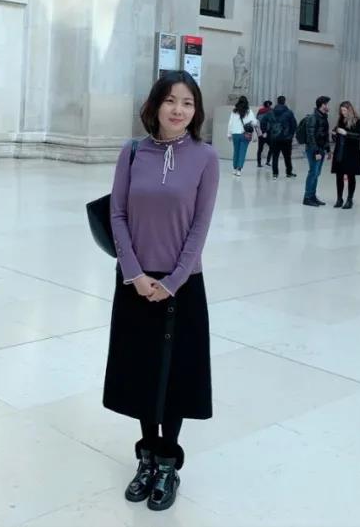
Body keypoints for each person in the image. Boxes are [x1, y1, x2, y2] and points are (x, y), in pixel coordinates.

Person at [106, 71, 219, 512]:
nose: (178, 110)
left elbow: (200, 225)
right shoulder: (132, 152)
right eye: (171, 100)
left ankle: (168, 462)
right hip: (135, 282)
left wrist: (173, 281)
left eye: (188, 103)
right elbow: (117, 214)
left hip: (182, 285)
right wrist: (134, 273)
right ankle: (147, 456)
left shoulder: (205, 157)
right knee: (141, 372)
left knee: (175, 377)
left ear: (196, 111)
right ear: (154, 106)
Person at [331, 101, 360, 209]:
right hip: (340, 151)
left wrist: (346, 133)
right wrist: (334, 134)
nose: (343, 112)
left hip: (352, 152)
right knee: (339, 176)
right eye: (341, 110)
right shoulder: (340, 119)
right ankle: (339, 198)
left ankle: (349, 199)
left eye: (344, 110)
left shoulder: (358, 120)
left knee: (351, 176)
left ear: (350, 110)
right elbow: (336, 135)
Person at [302, 96, 330, 207]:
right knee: (313, 173)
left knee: (317, 173)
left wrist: (328, 149)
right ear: (321, 105)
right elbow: (310, 136)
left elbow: (325, 135)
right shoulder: (313, 118)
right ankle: (307, 197)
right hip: (314, 149)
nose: (327, 106)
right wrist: (316, 151)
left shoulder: (324, 117)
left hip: (321, 149)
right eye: (326, 104)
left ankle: (313, 196)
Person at [266, 96, 297, 180]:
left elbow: (264, 122)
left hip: (274, 138)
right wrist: (291, 135)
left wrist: (269, 133)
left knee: (275, 156)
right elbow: (294, 125)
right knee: (287, 156)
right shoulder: (289, 112)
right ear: (284, 101)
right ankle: (289, 172)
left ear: (277, 102)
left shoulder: (271, 112)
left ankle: (275, 174)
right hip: (286, 139)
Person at [226, 96, 257, 177]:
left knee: (236, 151)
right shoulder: (249, 111)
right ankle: (239, 170)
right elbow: (254, 122)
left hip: (235, 134)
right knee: (242, 152)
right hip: (245, 134)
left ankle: (234, 168)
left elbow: (230, 123)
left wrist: (229, 134)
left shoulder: (234, 111)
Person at [255, 100, 273, 168]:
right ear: (269, 105)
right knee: (272, 147)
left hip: (260, 133)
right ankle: (268, 161)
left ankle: (259, 163)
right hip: (268, 133)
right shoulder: (271, 111)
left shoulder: (259, 112)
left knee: (260, 149)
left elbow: (257, 122)